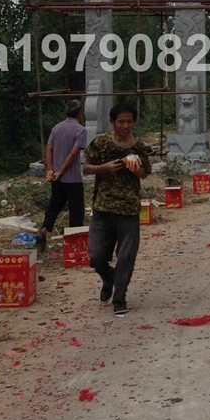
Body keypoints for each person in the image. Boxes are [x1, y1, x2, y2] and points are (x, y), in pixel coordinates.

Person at [83, 101, 151, 316]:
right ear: (112, 122)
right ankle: (108, 277)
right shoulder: (101, 143)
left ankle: (120, 297)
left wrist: (136, 169)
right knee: (96, 255)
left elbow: (145, 174)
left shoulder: (138, 147)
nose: (125, 126)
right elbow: (85, 168)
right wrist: (104, 168)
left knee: (126, 256)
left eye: (129, 121)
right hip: (103, 208)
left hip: (129, 209)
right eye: (121, 121)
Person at [37, 99, 88, 251]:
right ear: (80, 113)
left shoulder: (56, 128)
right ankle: (74, 245)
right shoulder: (80, 130)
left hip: (57, 179)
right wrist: (62, 172)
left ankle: (44, 230)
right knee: (76, 211)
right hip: (72, 179)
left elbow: (49, 149)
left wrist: (51, 170)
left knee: (54, 206)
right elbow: (73, 154)